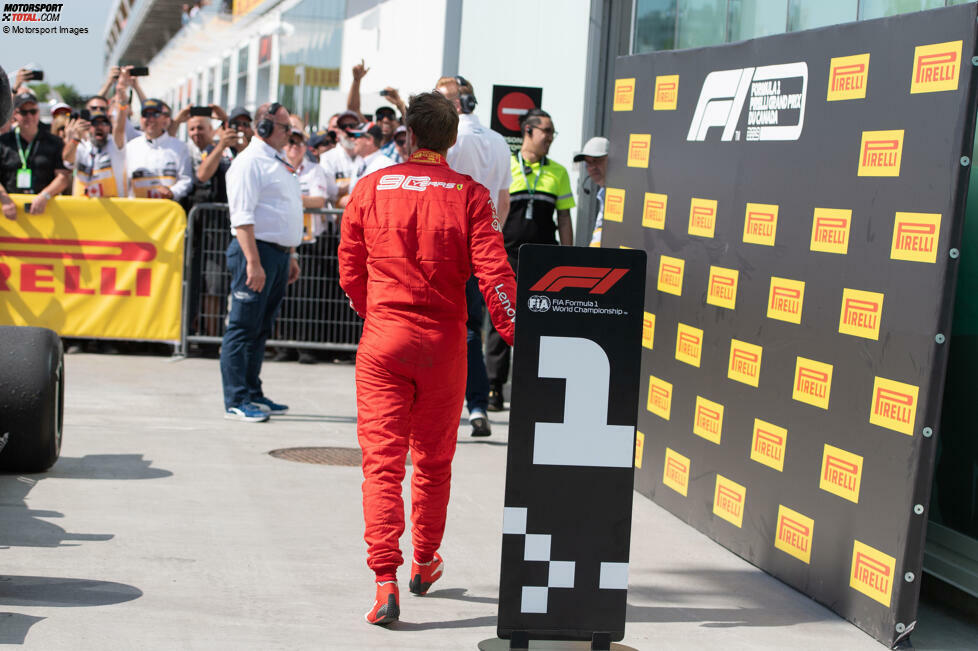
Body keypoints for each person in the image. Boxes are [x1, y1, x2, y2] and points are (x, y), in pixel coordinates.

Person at [339, 91, 516, 626]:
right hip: (444, 344)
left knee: (383, 465)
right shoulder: (471, 194)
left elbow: (349, 266)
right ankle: (424, 562)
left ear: (408, 135)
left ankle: (383, 580)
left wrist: (374, 312)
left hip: (384, 339)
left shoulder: (370, 187)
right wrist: (516, 332)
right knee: (434, 464)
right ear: (452, 139)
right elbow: (496, 275)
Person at [436, 75, 512, 437]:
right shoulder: (498, 141)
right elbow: (503, 201)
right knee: (470, 330)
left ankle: (449, 407)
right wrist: (489, 240)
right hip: (481, 246)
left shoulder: (451, 140)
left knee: (446, 328)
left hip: (446, 247)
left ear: (452, 105)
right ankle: (477, 405)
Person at [486, 107, 574, 411]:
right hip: (507, 255)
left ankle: (535, 387)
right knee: (502, 319)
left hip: (544, 260)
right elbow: (492, 211)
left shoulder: (559, 172)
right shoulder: (506, 166)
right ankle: (494, 387)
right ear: (528, 132)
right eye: (546, 132)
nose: (550, 138)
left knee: (540, 324)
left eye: (552, 133)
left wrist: (568, 256)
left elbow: (564, 218)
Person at [220, 102, 302, 422]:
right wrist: (253, 263)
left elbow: (284, 209)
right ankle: (237, 398)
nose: (290, 135)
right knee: (242, 326)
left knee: (261, 327)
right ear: (265, 128)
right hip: (256, 251)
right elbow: (242, 217)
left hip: (277, 253)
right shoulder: (249, 162)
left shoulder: (275, 161)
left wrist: (291, 254)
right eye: (285, 128)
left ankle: (252, 391)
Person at [0, 93, 71, 215]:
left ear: (38, 113)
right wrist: (4, 199)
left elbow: (63, 177)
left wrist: (45, 196)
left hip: (45, 209)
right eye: (24, 112)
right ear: (15, 114)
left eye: (33, 112)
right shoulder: (3, 142)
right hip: (9, 210)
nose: (29, 116)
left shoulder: (54, 142)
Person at [125, 98, 192, 201]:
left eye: (155, 114)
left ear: (164, 118)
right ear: (141, 119)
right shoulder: (131, 147)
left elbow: (186, 180)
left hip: (166, 212)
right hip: (137, 211)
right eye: (146, 115)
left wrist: (173, 192)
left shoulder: (180, 147)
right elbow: (123, 182)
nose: (150, 119)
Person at [338, 122, 393, 207]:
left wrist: (350, 200)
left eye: (357, 136)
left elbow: (384, 199)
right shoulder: (360, 162)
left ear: (369, 140)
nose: (353, 139)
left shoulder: (386, 165)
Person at [319, 110, 361, 204]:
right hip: (336, 217)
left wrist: (343, 187)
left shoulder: (365, 155)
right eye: (343, 127)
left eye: (352, 126)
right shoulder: (327, 157)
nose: (348, 130)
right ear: (338, 132)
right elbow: (329, 191)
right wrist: (357, 183)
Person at [574, 136, 609, 247]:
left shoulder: (624, 194)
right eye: (588, 163)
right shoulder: (603, 193)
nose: (592, 167)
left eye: (597, 160)